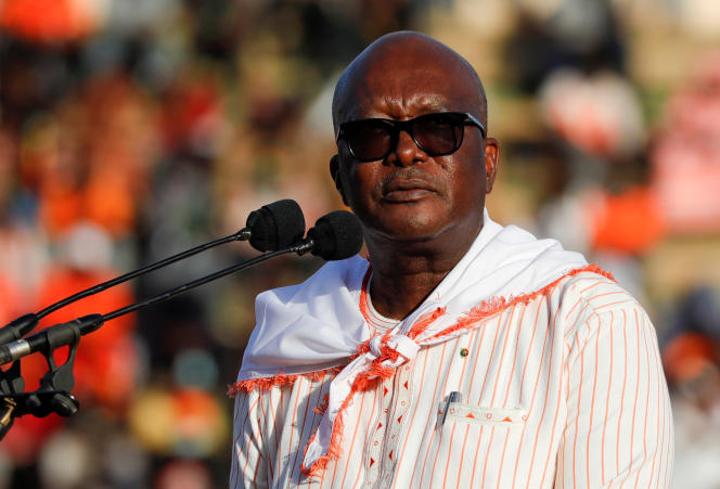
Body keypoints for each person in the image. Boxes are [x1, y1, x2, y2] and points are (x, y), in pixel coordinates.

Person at [229, 31, 673, 489]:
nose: (406, 152)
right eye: (372, 135)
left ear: (488, 163)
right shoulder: (289, 338)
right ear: (340, 175)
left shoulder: (584, 321)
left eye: (438, 130)